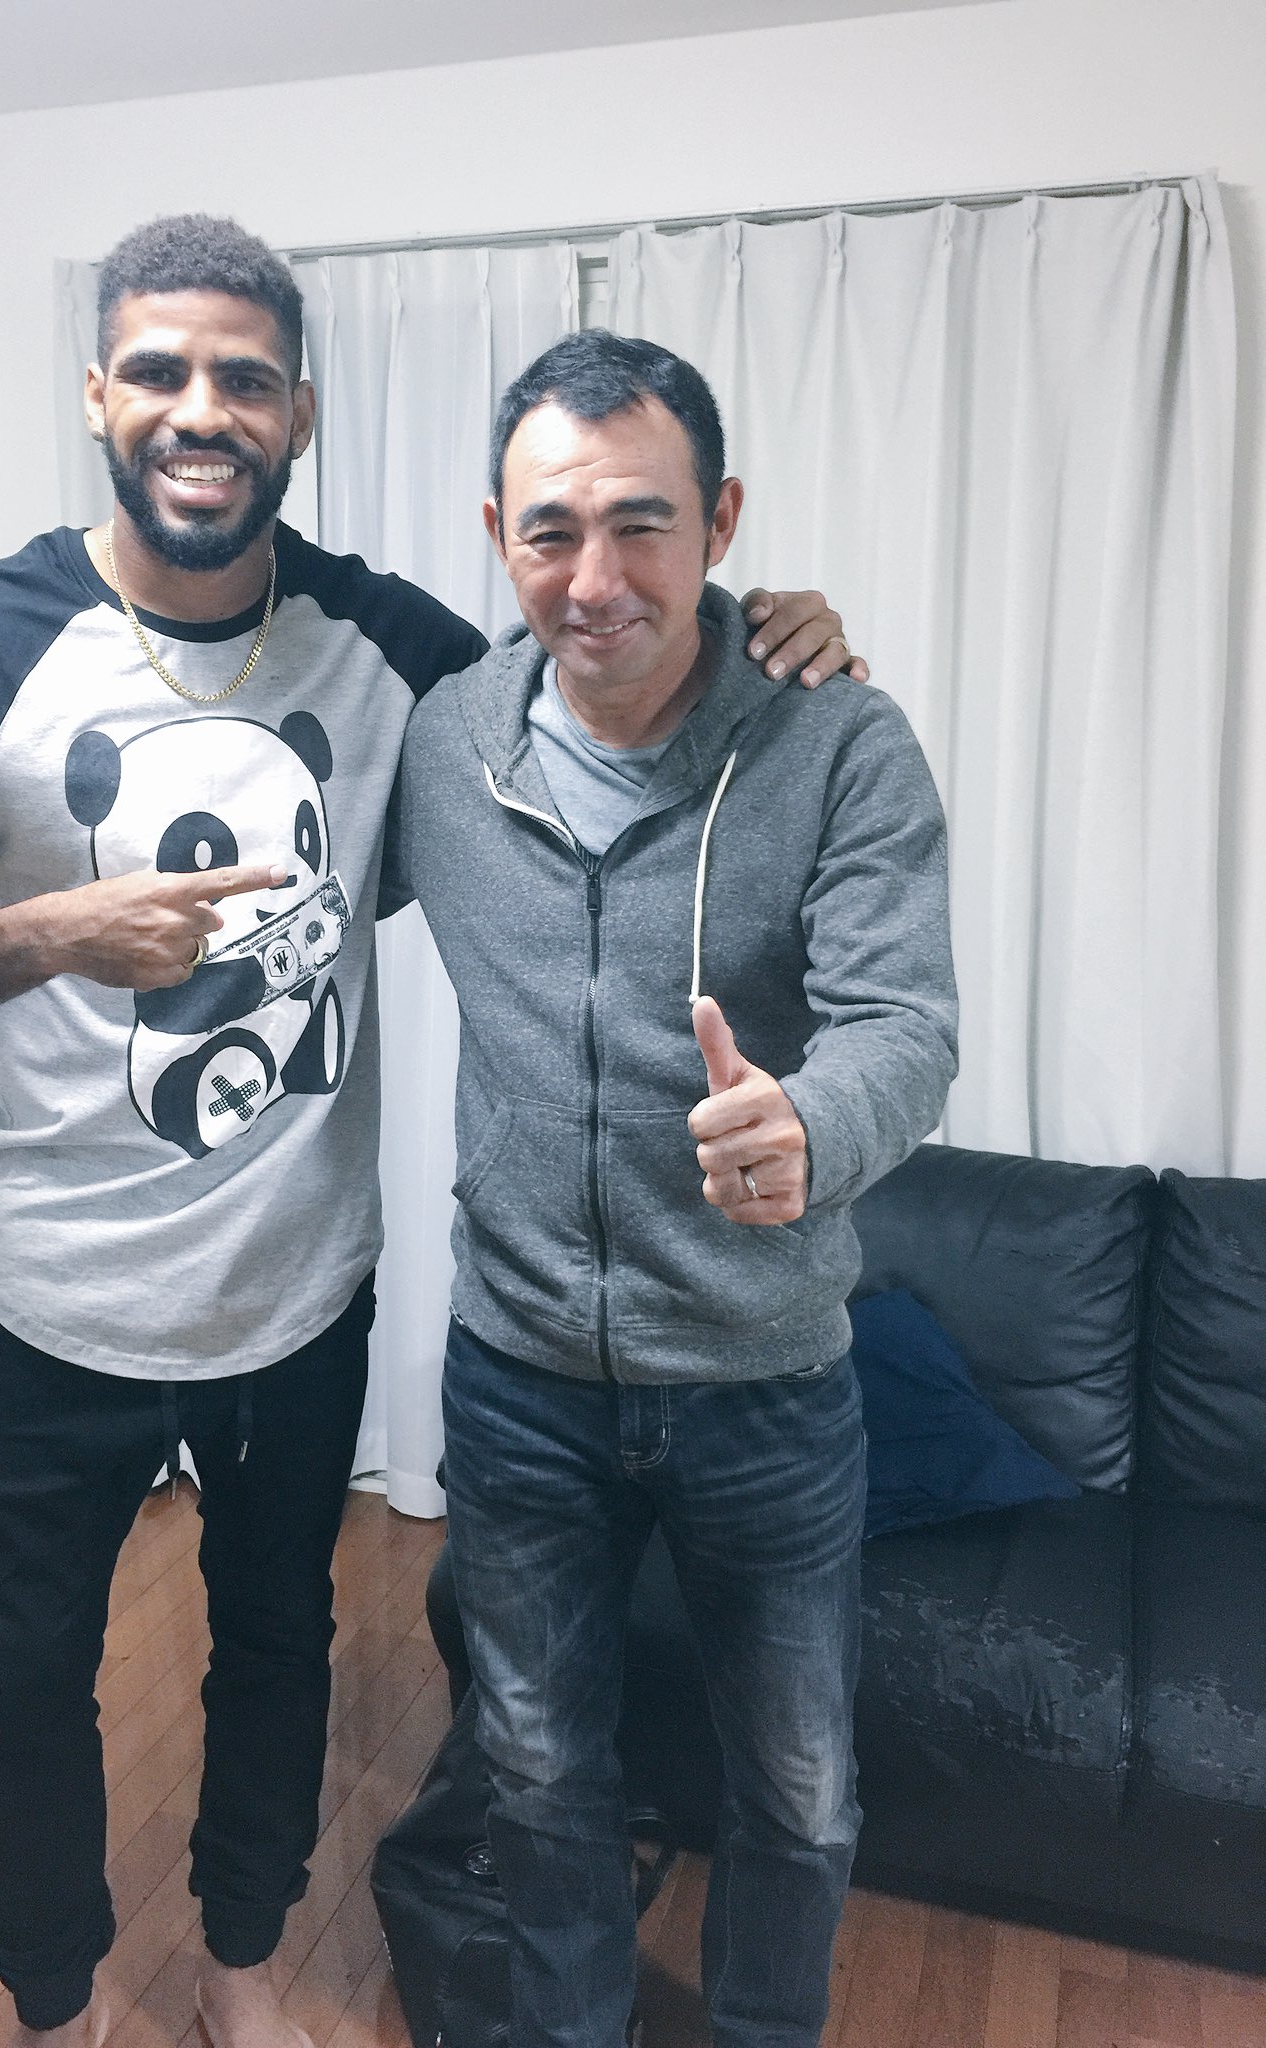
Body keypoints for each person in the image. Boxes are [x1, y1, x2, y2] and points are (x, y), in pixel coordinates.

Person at [0, 216, 860, 2048]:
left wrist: (773, 628)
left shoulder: (394, 651)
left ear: (298, 411)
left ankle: (238, 1964)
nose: (199, 410)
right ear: (99, 393)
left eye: (244, 379)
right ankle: (56, 2001)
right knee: (19, 1681)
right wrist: (50, 930)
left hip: (296, 1301)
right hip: (50, 1303)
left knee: (280, 1655)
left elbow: (604, 657)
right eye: (159, 371)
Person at [385, 330, 958, 2048]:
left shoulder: (839, 740)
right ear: (497, 536)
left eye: (643, 523)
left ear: (722, 519)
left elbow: (906, 1025)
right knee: (538, 1771)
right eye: (551, 530)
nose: (597, 579)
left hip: (764, 1382)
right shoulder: (444, 745)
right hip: (518, 1383)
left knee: (799, 1789)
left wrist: (813, 1125)